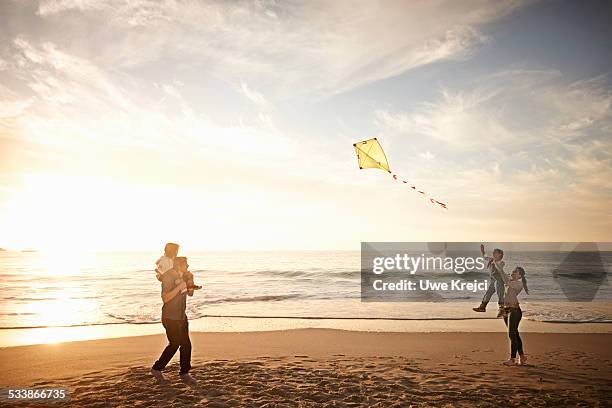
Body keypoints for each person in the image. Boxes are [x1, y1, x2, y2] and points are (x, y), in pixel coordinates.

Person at [151, 256, 196, 382]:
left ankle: (184, 372)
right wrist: (179, 287)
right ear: (178, 265)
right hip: (170, 317)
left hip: (181, 316)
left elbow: (190, 293)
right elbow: (165, 298)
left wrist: (190, 281)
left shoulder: (184, 276)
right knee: (174, 344)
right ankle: (157, 368)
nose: (188, 266)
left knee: (186, 344)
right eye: (186, 264)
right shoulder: (169, 277)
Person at [499, 266, 529, 366]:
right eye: (513, 271)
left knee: (512, 334)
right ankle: (522, 357)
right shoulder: (509, 282)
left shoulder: (518, 284)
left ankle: (512, 359)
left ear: (520, 276)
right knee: (515, 334)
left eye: (515, 272)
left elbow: (506, 280)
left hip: (515, 311)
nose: (513, 272)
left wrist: (500, 268)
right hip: (507, 310)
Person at [472, 244, 506, 317]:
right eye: (493, 252)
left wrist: (495, 262)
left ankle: (502, 309)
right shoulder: (491, 260)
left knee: (500, 294)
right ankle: (482, 307)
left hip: (499, 280)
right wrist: (482, 250)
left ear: (499, 255)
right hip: (493, 281)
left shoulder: (501, 262)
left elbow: (500, 268)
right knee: (488, 294)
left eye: (495, 253)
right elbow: (485, 257)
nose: (493, 254)